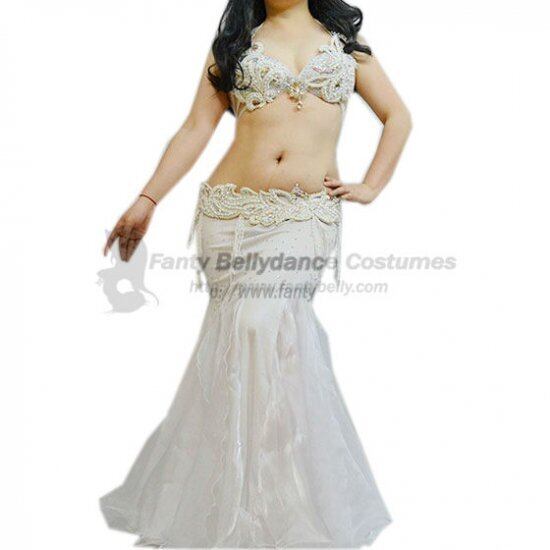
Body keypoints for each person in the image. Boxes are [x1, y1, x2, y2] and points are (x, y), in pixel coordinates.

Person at [100, 0, 411, 546]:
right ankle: (239, 503)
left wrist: (371, 185)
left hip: (305, 215)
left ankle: (277, 505)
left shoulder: (347, 46)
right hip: (229, 213)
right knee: (246, 348)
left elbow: (398, 117)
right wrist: (147, 199)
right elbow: (196, 127)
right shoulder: (234, 46)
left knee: (257, 325)